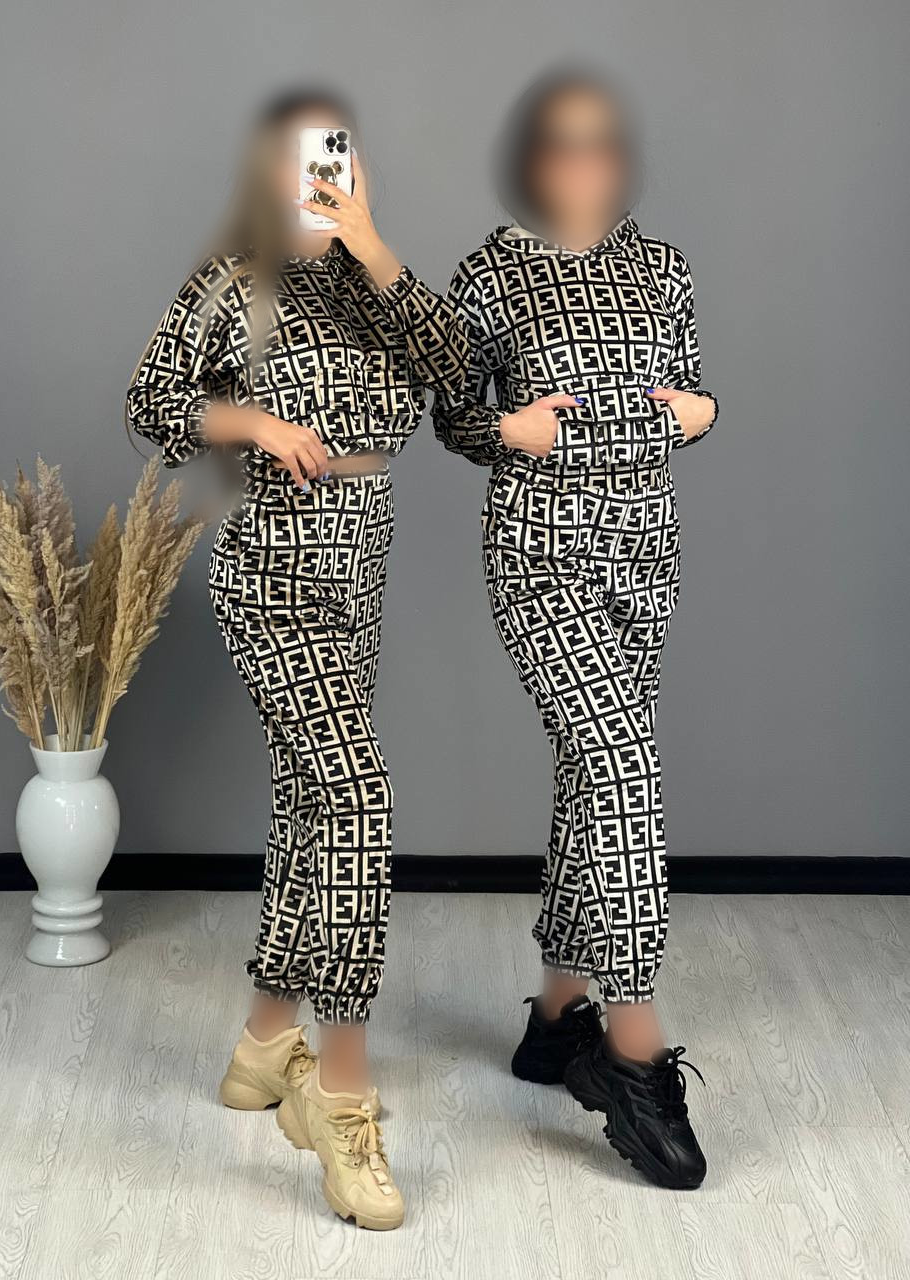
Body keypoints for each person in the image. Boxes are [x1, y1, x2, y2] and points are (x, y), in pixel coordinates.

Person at [127, 89, 467, 1231]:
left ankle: (265, 1041)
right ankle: (341, 1091)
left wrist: (373, 246)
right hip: (269, 576)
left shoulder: (378, 287)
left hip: (357, 576)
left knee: (309, 802)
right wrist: (255, 425)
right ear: (269, 171)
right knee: (357, 798)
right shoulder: (234, 280)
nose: (324, 169)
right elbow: (151, 400)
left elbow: (457, 370)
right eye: (304, 154)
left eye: (340, 152)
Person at [433, 68, 716, 1190]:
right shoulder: (491, 270)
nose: (583, 162)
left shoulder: (662, 266)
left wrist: (703, 411)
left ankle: (556, 1016)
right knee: (623, 763)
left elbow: (687, 390)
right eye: (561, 143)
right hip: (538, 551)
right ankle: (632, 1052)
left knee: (587, 772)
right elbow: (454, 414)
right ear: (531, 159)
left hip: (644, 551)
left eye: (600, 142)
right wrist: (506, 430)